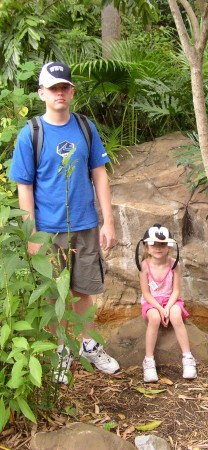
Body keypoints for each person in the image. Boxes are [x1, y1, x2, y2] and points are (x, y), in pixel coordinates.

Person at [9, 62, 120, 384]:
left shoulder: (85, 127)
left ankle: (88, 344)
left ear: (71, 91)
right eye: (53, 88)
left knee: (84, 289)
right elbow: (24, 186)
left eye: (65, 87)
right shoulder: (31, 133)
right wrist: (31, 234)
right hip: (48, 229)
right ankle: (60, 350)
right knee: (53, 294)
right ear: (42, 93)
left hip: (84, 224)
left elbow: (99, 174)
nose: (60, 93)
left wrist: (108, 221)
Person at [136, 224, 197, 382]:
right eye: (154, 244)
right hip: (152, 302)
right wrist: (159, 309)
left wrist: (168, 308)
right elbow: (146, 293)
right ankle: (148, 361)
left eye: (162, 244)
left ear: (169, 246)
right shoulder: (144, 266)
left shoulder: (174, 264)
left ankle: (188, 358)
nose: (158, 247)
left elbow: (176, 290)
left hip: (170, 300)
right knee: (155, 318)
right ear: (147, 247)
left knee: (176, 315)